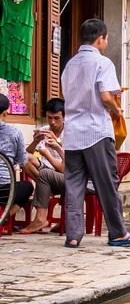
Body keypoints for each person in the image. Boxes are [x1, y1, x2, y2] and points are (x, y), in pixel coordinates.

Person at [61, 19, 130, 248]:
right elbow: (106, 97)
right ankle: (117, 233)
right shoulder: (103, 63)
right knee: (106, 183)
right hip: (96, 130)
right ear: (100, 38)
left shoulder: (70, 65)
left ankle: (73, 236)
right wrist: (116, 110)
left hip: (73, 132)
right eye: (106, 38)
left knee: (74, 184)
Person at [19, 98, 66, 234]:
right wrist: (35, 142)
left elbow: (64, 168)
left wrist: (56, 143)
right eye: (49, 118)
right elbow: (26, 154)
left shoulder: (71, 132)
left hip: (62, 174)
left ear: (64, 117)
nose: (52, 122)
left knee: (45, 174)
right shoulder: (45, 129)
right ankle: (46, 188)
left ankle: (41, 215)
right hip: (46, 171)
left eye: (56, 118)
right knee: (25, 158)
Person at [0, 94, 33, 220]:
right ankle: (5, 217)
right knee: (28, 187)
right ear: (5, 114)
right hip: (5, 191)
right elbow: (22, 160)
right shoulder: (15, 133)